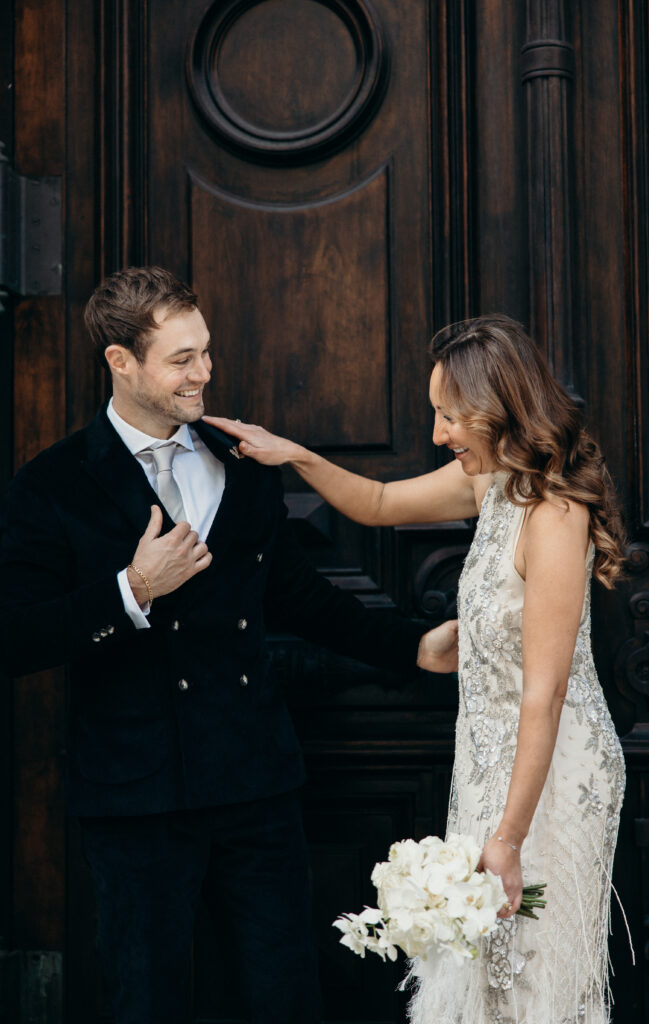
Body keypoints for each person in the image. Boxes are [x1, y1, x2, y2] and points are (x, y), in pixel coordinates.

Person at [0, 266, 460, 1024]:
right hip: (135, 796)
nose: (203, 373)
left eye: (205, 352)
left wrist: (411, 647)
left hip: (255, 780)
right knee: (147, 1004)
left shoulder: (242, 462)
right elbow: (15, 636)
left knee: (284, 998)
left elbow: (300, 598)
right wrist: (132, 590)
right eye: (181, 359)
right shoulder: (52, 485)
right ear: (121, 362)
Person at [203, 313, 627, 1024]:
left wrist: (507, 838)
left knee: (529, 971)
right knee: (481, 966)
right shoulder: (490, 481)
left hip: (549, 770)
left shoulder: (554, 513)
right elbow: (375, 503)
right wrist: (292, 455)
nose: (437, 435)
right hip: (486, 754)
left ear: (498, 410)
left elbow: (546, 693)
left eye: (450, 417)